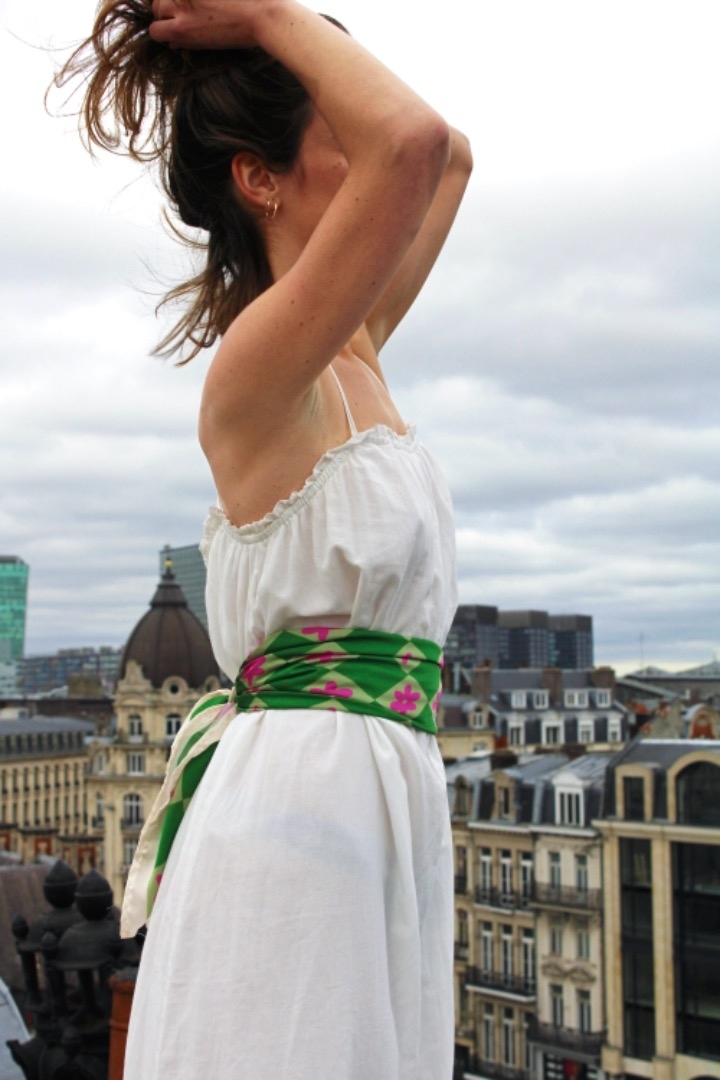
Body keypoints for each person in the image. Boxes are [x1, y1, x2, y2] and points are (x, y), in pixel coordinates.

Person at [56, 1, 472, 1076]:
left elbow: (449, 158)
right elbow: (415, 141)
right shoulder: (259, 364)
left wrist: (279, 33)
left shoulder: (357, 344)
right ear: (260, 177)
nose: (363, 139)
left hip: (372, 797)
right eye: (336, 129)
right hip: (305, 807)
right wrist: (271, 16)